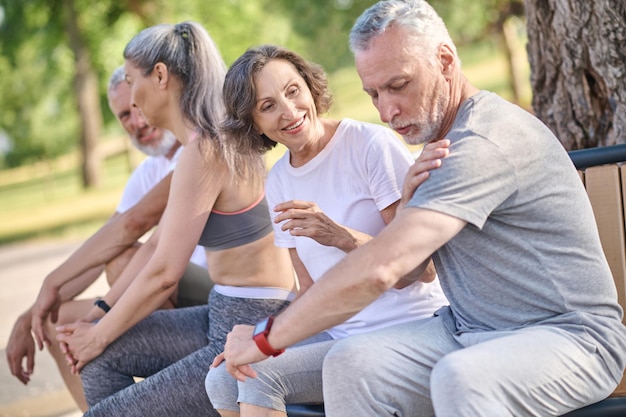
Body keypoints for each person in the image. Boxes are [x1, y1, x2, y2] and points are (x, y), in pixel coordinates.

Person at [218, 1, 626, 416]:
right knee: (349, 363)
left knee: (461, 378)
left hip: (570, 339)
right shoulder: (436, 152)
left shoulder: (481, 141)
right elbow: (407, 263)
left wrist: (267, 338)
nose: (386, 111)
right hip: (468, 329)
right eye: (374, 93)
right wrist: (410, 206)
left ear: (445, 60)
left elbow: (384, 268)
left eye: (399, 85)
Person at [49, 21, 296, 417]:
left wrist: (97, 336)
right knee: (101, 357)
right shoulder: (203, 146)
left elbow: (165, 272)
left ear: (160, 76)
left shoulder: (207, 151)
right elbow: (153, 248)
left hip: (255, 325)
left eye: (131, 80)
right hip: (222, 313)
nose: (130, 95)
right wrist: (99, 317)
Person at [204, 44, 447, 417]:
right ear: (253, 124)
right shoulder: (281, 180)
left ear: (309, 86)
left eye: (292, 91)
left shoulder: (370, 146)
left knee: (258, 377)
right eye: (268, 106)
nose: (289, 111)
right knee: (223, 377)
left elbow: (423, 269)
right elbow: (309, 293)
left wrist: (340, 236)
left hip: (413, 326)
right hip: (342, 336)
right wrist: (256, 337)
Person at [5, 65, 210, 412]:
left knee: (123, 260)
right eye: (123, 116)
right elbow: (104, 244)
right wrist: (33, 315)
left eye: (136, 106)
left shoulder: (201, 149)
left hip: (208, 292)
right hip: (166, 288)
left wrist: (54, 286)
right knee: (60, 325)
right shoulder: (148, 171)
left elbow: (130, 229)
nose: (135, 120)